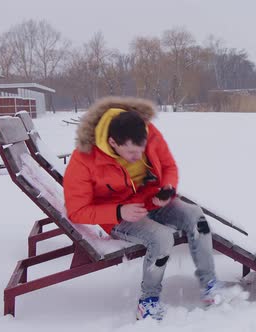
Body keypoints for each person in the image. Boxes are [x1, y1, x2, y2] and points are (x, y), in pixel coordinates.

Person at [63, 97, 226, 320]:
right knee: (162, 238)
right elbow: (76, 210)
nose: (137, 157)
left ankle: (210, 284)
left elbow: (168, 166)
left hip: (152, 200)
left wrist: (167, 188)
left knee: (197, 217)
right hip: (118, 216)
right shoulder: (84, 159)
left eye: (141, 151)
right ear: (112, 143)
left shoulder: (147, 131)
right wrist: (119, 211)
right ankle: (148, 301)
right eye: (131, 153)